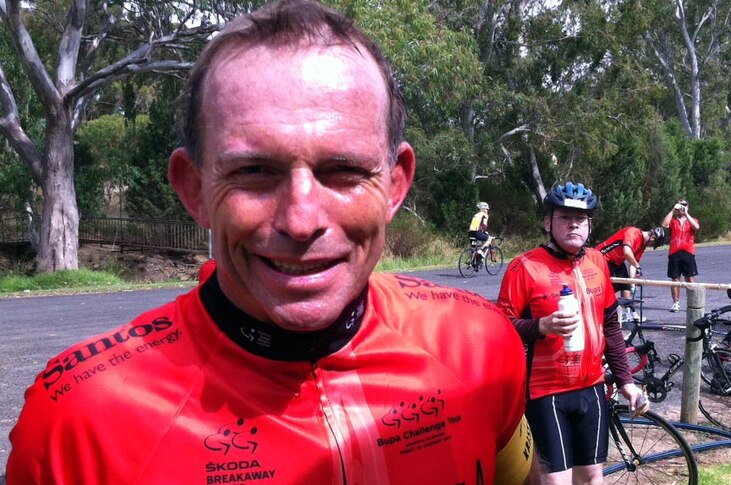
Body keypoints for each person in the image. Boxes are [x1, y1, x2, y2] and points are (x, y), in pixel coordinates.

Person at [6, 2, 539, 483]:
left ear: (395, 185)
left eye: (344, 170)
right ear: (195, 190)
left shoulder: (481, 348)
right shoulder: (80, 422)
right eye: (255, 171)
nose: (301, 220)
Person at [496, 181, 647, 485]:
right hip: (545, 392)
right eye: (565, 217)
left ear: (590, 225)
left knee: (592, 478)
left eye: (581, 219)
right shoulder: (524, 267)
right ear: (548, 222)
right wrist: (541, 326)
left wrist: (626, 382)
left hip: (592, 388)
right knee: (556, 482)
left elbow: (611, 328)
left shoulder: (598, 262)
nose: (574, 224)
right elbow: (500, 327)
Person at [595, 226, 667, 321]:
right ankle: (602, 312)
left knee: (626, 285)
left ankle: (629, 313)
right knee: (608, 287)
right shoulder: (633, 232)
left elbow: (633, 264)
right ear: (652, 237)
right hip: (603, 257)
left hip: (617, 261)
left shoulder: (642, 245)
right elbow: (627, 252)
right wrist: (637, 267)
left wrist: (632, 281)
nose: (651, 245)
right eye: (653, 243)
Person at [662, 199, 700, 312]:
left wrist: (686, 213)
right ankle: (676, 302)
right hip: (674, 252)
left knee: (690, 278)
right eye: (681, 205)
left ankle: (693, 301)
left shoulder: (692, 220)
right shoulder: (673, 221)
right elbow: (664, 224)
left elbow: (696, 227)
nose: (682, 207)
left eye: (684, 205)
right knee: (675, 279)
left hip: (688, 252)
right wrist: (673, 210)